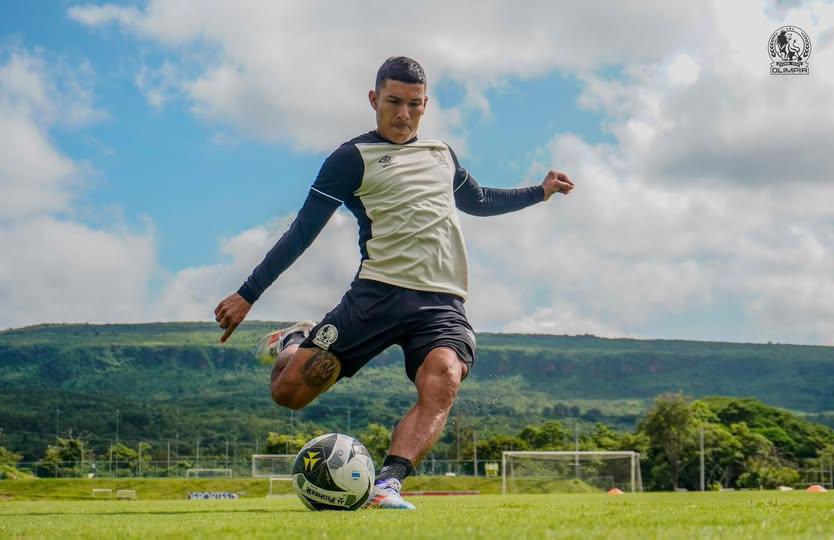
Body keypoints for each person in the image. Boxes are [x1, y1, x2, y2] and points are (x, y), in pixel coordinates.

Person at [214, 56, 574, 509]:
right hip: (376, 295)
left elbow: (478, 201)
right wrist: (248, 293)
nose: (404, 114)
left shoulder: (441, 154)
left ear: (426, 105)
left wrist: (538, 192)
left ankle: (387, 484)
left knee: (443, 379)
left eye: (415, 105)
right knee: (289, 393)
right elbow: (303, 231)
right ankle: (295, 338)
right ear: (374, 100)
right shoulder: (350, 159)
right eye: (394, 102)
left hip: (442, 303)